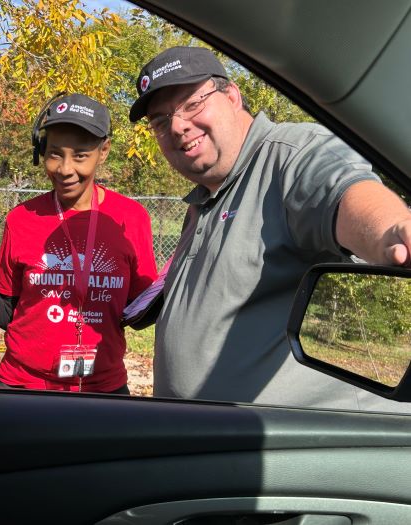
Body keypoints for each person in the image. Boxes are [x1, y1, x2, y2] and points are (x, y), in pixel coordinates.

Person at [127, 46, 411, 409]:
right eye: (161, 121)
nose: (178, 126)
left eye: (192, 104)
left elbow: (344, 190)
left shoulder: (290, 153)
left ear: (231, 95)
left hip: (294, 449)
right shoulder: (203, 200)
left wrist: (394, 231)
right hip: (206, 445)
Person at [0, 93, 157, 393]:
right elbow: (8, 310)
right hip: (24, 386)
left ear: (103, 151)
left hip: (104, 388)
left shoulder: (131, 218)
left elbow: (139, 310)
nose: (65, 169)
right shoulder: (21, 219)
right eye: (54, 154)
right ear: (41, 151)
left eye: (80, 155)